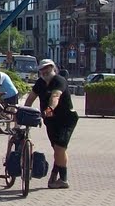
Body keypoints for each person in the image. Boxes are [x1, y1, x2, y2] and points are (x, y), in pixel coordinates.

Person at [24, 59, 77, 189]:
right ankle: (55, 172)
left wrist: (51, 108)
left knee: (60, 148)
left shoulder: (59, 81)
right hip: (51, 121)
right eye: (42, 69)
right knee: (57, 149)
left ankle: (63, 179)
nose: (44, 71)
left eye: (47, 68)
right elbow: (30, 98)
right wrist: (24, 111)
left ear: (53, 68)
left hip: (66, 120)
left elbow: (55, 97)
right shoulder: (40, 83)